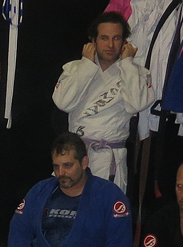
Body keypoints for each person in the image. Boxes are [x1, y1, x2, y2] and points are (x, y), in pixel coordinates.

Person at [51, 11, 153, 191]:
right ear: (93, 41)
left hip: (109, 157)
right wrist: (87, 64)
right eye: (104, 38)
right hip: (75, 155)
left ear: (124, 42)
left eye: (116, 38)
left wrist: (127, 64)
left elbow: (136, 105)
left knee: (105, 207)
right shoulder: (75, 69)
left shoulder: (136, 73)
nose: (110, 45)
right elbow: (63, 103)